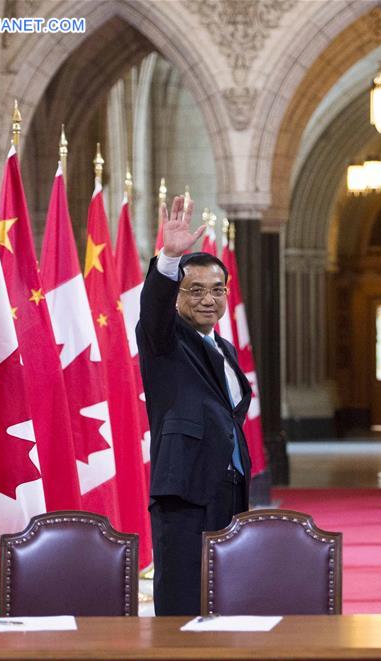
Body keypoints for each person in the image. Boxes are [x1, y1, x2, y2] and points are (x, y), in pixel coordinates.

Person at [137, 195, 251, 615]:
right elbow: (152, 311)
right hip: (185, 490)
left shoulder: (223, 347)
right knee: (185, 596)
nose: (209, 299)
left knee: (224, 592)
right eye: (196, 290)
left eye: (217, 290)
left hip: (229, 487)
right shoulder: (163, 341)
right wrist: (168, 258)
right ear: (178, 296)